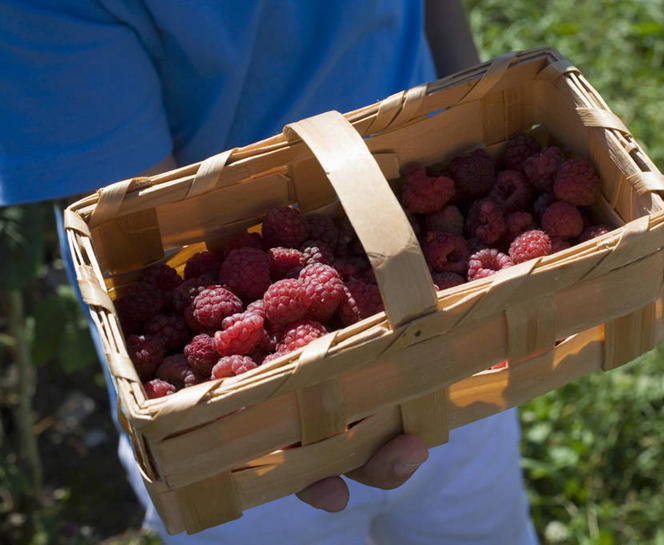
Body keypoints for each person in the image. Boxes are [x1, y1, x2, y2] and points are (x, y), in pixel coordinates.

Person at [0, 1, 538, 543]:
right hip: (240, 427)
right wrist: (286, 395)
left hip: (439, 307)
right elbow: (139, 244)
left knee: (476, 515)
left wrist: (472, 123)